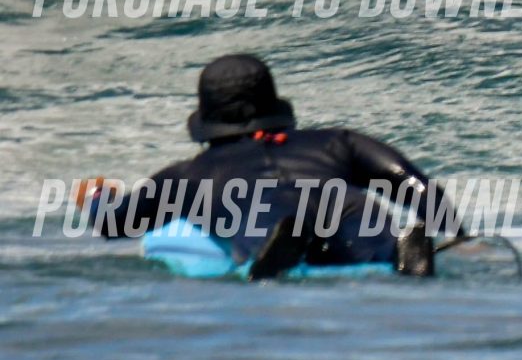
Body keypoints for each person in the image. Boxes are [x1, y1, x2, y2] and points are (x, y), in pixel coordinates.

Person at [77, 53, 461, 278]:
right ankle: (395, 251)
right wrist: (456, 233)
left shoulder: (187, 176)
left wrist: (95, 197)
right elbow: (414, 185)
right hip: (344, 202)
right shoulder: (337, 141)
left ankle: (278, 251)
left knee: (264, 228)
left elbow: (114, 223)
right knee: (363, 229)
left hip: (258, 209)